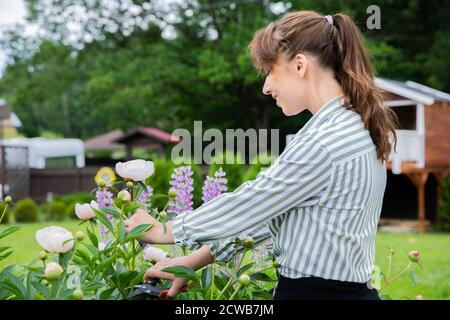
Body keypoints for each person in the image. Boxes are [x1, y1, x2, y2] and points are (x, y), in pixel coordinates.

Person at [124, 10, 398, 300]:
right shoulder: (352, 125)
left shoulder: (325, 142)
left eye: (269, 71)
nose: (266, 87)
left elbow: (255, 201)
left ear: (300, 65)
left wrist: (165, 229)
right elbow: (275, 213)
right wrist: (191, 262)